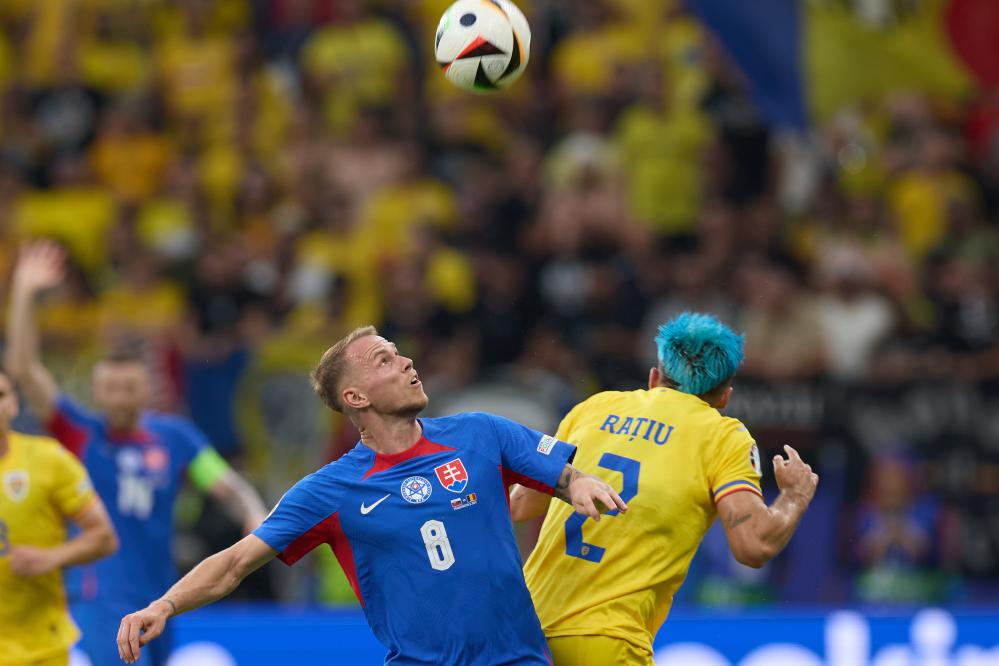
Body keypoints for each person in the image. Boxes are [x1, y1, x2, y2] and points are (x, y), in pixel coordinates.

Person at [116, 326, 628, 665]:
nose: (406, 361)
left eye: (399, 352)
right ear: (355, 397)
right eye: (385, 360)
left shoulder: (480, 433)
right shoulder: (330, 489)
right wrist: (164, 605)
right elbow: (234, 564)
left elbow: (560, 474)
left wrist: (579, 482)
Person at [4, 242, 269, 666]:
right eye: (110, 388)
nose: (119, 397)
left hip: (161, 590)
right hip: (100, 594)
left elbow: (223, 482)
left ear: (146, 389)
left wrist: (252, 512)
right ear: (96, 392)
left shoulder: (175, 436)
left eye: (128, 387)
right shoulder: (80, 432)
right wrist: (23, 290)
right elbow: (25, 369)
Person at [510, 312, 820, 665]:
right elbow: (752, 545)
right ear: (724, 397)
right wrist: (795, 496)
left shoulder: (594, 407)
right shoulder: (722, 436)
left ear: (654, 377)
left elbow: (520, 505)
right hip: (607, 640)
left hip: (522, 633)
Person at [0, 367, 119, 666]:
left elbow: (104, 537)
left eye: (0, 395)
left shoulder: (48, 459)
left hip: (40, 647)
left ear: (14, 403)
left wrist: (51, 557)